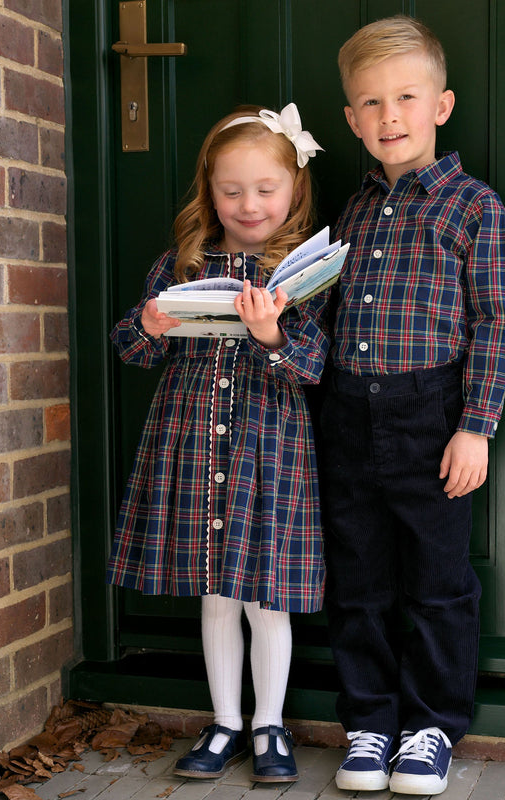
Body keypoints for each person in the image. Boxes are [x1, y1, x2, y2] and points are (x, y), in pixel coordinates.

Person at [318, 15, 505, 796]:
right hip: (345, 417)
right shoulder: (353, 212)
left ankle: (432, 727)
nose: (388, 116)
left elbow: (495, 324)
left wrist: (477, 426)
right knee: (358, 578)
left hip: (430, 416)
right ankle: (369, 723)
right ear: (350, 119)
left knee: (438, 581)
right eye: (369, 103)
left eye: (405, 97)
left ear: (441, 105)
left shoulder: (474, 208)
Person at [107, 103, 327, 783]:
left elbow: (314, 367)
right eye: (231, 191)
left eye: (265, 189)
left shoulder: (304, 273)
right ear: (210, 192)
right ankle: (226, 720)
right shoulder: (182, 263)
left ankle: (270, 726)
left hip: (270, 449)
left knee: (267, 598)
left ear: (293, 190)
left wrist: (270, 336)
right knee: (216, 593)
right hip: (193, 446)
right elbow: (130, 349)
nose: (249, 204)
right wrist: (149, 323)